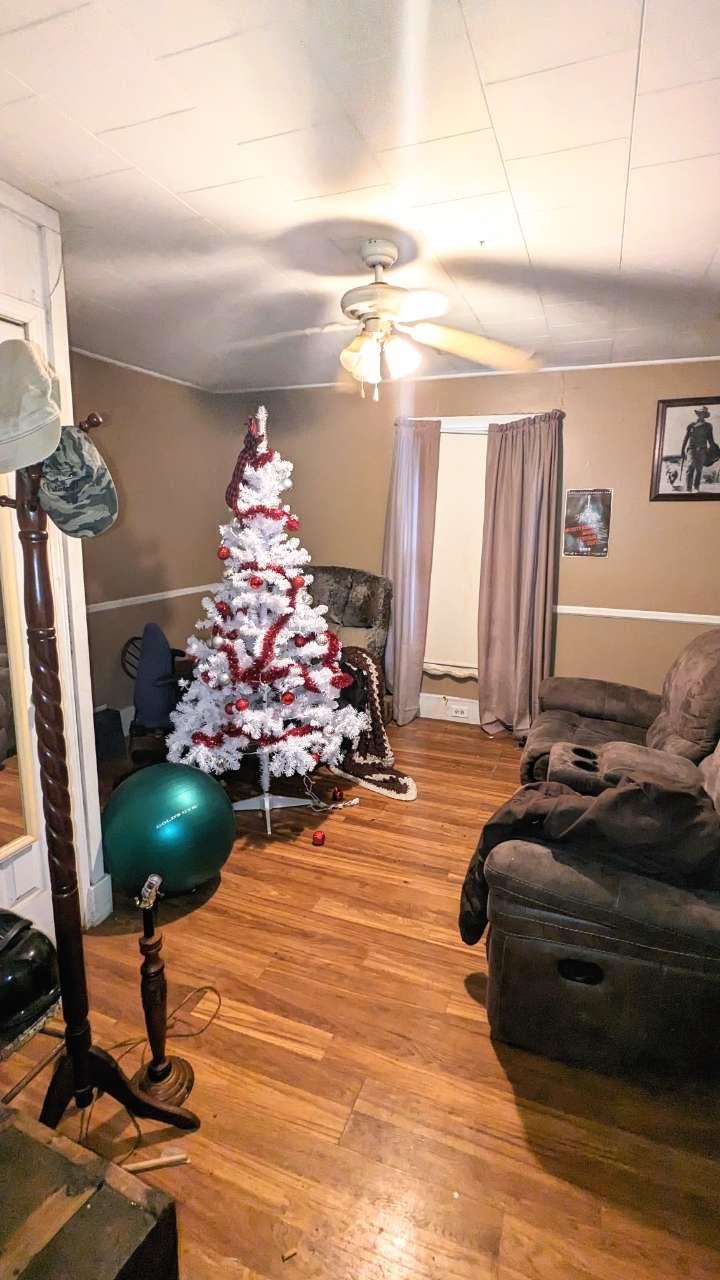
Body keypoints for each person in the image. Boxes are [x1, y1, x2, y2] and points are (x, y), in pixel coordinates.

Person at [680, 406, 718, 492]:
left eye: (703, 413)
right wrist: (682, 450)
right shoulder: (691, 425)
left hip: (702, 450)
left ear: (705, 415)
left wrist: (715, 449)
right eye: (700, 413)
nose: (702, 415)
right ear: (698, 414)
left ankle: (696, 488)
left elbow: (710, 439)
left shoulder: (708, 426)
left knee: (699, 469)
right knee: (690, 467)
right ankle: (688, 489)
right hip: (691, 449)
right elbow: (686, 438)